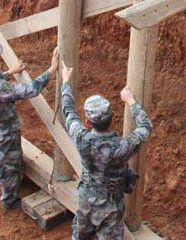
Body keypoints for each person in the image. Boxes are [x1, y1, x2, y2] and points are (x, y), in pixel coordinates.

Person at [60, 61, 152, 240]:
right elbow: (145, 126)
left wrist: (65, 81)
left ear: (88, 122)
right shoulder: (122, 147)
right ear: (112, 118)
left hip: (86, 199)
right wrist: (130, 101)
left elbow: (69, 112)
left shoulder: (81, 138)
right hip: (111, 207)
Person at [0, 42, 59, 210]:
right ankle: (10, 200)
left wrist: (10, 72)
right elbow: (29, 90)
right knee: (8, 163)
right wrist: (51, 70)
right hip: (5, 128)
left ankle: (14, 182)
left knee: (12, 157)